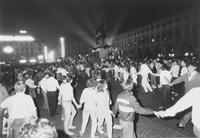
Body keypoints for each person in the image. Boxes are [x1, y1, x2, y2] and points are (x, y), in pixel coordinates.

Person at [169, 61, 200, 128]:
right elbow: (180, 79)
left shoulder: (198, 76)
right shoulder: (186, 74)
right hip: (187, 95)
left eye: (192, 66)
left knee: (190, 110)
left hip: (196, 96)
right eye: (189, 66)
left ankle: (182, 124)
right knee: (189, 109)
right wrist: (172, 83)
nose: (190, 68)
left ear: (195, 67)